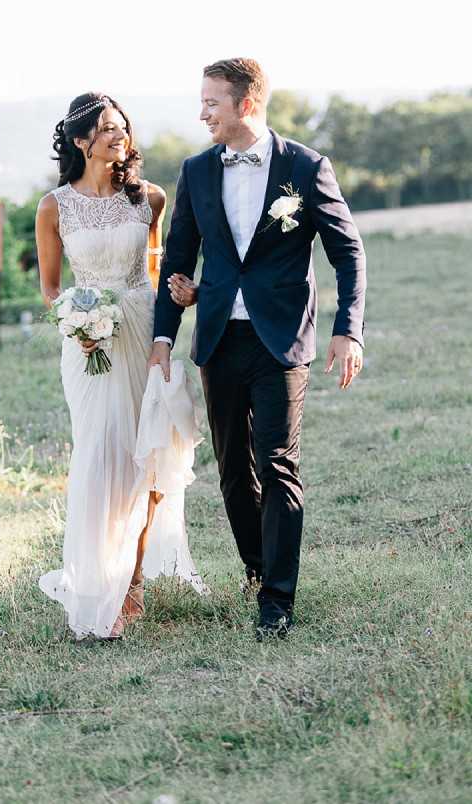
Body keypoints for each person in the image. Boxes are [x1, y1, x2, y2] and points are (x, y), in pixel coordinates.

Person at [150, 59, 367, 639]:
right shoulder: (195, 171)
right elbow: (178, 258)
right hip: (219, 338)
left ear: (246, 104)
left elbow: (348, 252)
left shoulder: (304, 166)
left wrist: (348, 329)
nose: (201, 114)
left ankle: (277, 602)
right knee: (231, 472)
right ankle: (256, 569)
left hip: (281, 340)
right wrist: (165, 334)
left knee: (277, 465)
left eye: (211, 103)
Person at [35, 93, 203, 640]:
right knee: (100, 452)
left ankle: (132, 584)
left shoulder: (149, 199)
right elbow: (52, 288)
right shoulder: (54, 206)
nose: (118, 136)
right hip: (88, 344)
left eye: (122, 127)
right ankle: (94, 579)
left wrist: (174, 306)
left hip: (142, 330)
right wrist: (76, 325)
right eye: (106, 129)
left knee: (148, 450)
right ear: (81, 140)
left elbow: (156, 269)